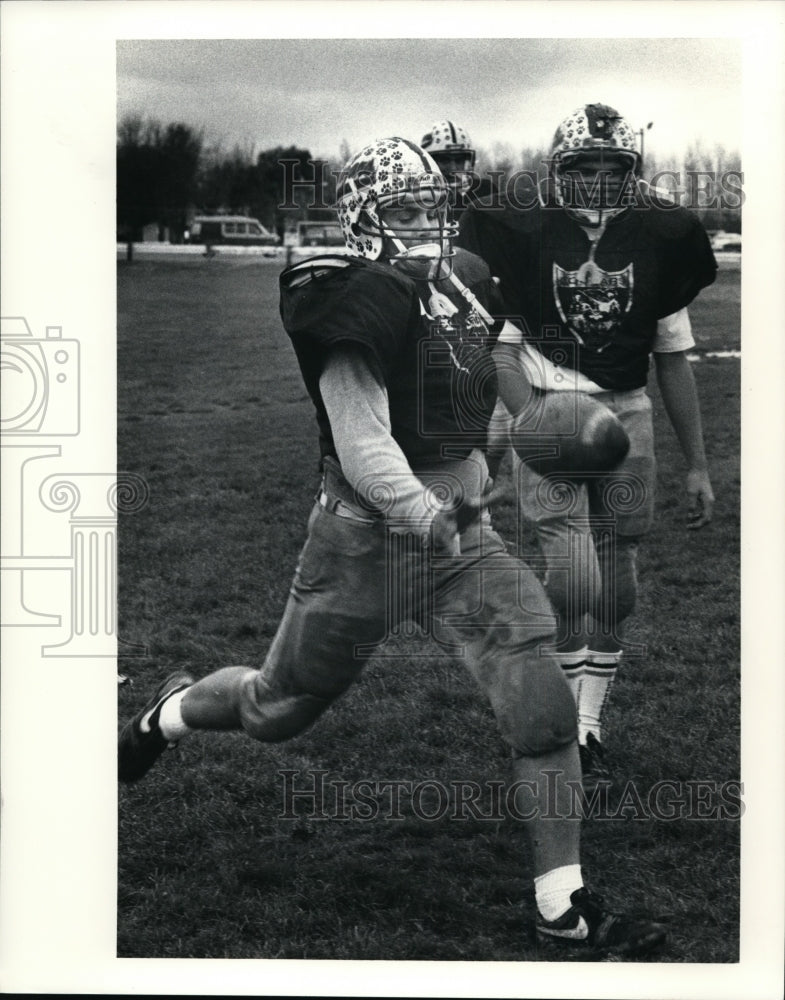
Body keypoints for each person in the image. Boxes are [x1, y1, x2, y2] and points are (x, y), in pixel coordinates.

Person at [119, 136, 667, 957]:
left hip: (458, 537)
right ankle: (166, 715)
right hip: (364, 539)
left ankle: (562, 902)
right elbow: (366, 446)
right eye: (404, 212)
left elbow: (470, 406)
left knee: (540, 697)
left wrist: (520, 443)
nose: (424, 226)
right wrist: (430, 514)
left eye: (431, 210)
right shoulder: (344, 289)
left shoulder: (464, 284)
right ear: (364, 222)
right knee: (278, 708)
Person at [457, 103, 717, 780]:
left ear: (631, 174)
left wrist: (696, 465)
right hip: (550, 409)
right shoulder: (528, 237)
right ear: (558, 172)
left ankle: (588, 720)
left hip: (627, 414)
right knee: (573, 573)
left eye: (612, 166)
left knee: (616, 578)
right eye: (584, 166)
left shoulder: (654, 243)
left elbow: (672, 361)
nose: (598, 179)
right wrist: (531, 420)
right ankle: (563, 716)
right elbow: (501, 355)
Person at [420, 119, 496, 218]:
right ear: (427, 162)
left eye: (459, 160)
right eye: (444, 160)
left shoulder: (484, 190)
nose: (453, 168)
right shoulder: (415, 196)